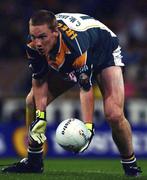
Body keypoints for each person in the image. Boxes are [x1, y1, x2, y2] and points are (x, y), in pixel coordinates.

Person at [2, 10, 142, 176]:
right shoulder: (32, 45)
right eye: (34, 36)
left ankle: (130, 165)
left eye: (42, 37)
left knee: (114, 114)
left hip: (103, 51)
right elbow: (39, 82)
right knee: (31, 102)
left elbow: (85, 87)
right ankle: (33, 162)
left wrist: (88, 127)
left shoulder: (76, 45)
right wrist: (40, 117)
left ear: (56, 32)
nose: (37, 43)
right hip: (71, 59)